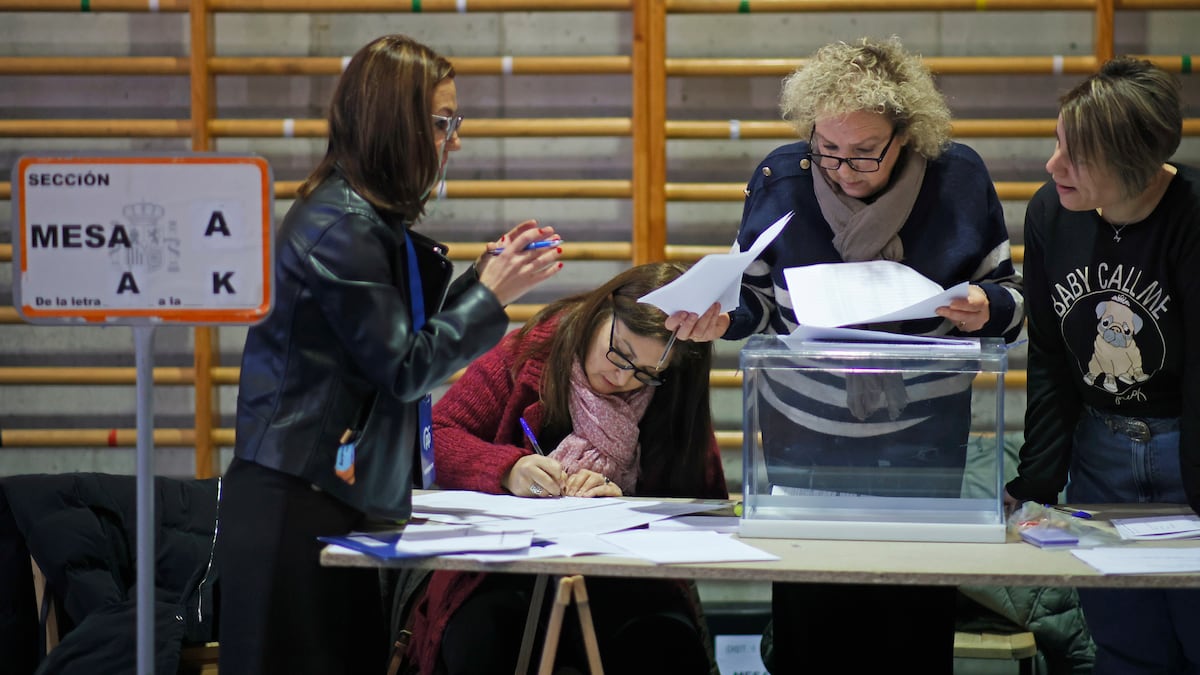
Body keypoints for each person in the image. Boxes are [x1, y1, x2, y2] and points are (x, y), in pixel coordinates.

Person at [668, 37, 1024, 674]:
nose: (842, 169)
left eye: (864, 153)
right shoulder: (781, 179)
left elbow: (1013, 296)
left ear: (907, 135)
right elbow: (754, 298)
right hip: (803, 441)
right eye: (826, 150)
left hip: (923, 443)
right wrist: (723, 318)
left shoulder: (959, 178)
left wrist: (987, 305)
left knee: (911, 632)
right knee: (813, 629)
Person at [216, 34, 563, 675]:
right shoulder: (340, 226)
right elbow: (404, 367)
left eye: (455, 122)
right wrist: (488, 296)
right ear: (392, 124)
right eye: (440, 123)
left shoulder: (367, 218)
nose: (453, 140)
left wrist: (483, 279)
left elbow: (404, 342)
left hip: (328, 490)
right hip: (295, 502)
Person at [402, 262, 728, 675]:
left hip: (626, 571)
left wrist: (624, 502)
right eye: (620, 353)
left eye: (645, 373)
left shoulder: (674, 393)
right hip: (506, 569)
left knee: (663, 644)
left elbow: (705, 501)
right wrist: (508, 469)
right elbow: (437, 436)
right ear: (600, 311)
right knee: (486, 637)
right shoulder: (529, 354)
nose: (622, 376)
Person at [1005, 57, 1200, 674]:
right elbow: (1050, 356)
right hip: (1102, 450)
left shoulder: (1192, 219)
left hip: (1187, 447)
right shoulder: (1049, 214)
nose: (1052, 166)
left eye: (1074, 155)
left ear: (1132, 164)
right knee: (1122, 649)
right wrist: (1036, 480)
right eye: (1057, 145)